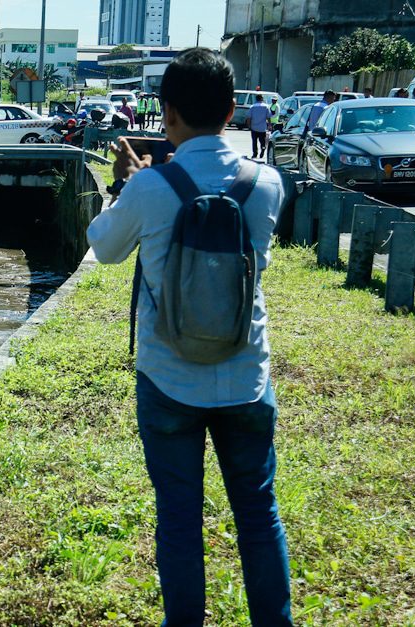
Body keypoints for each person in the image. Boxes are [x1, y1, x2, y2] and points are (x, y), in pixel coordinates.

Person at [87, 48, 292, 625]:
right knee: (258, 514)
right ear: (231, 110)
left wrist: (125, 185)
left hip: (169, 378)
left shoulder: (150, 188)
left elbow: (103, 249)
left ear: (166, 112)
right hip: (246, 377)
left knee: (178, 518)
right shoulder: (268, 183)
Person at [247, 94, 273, 160]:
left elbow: (249, 117)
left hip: (254, 127)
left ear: (256, 99)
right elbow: (268, 117)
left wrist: (249, 125)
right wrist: (269, 125)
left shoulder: (252, 107)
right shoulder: (266, 106)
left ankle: (255, 153)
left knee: (254, 141)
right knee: (262, 141)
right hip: (262, 128)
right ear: (262, 99)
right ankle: (263, 149)